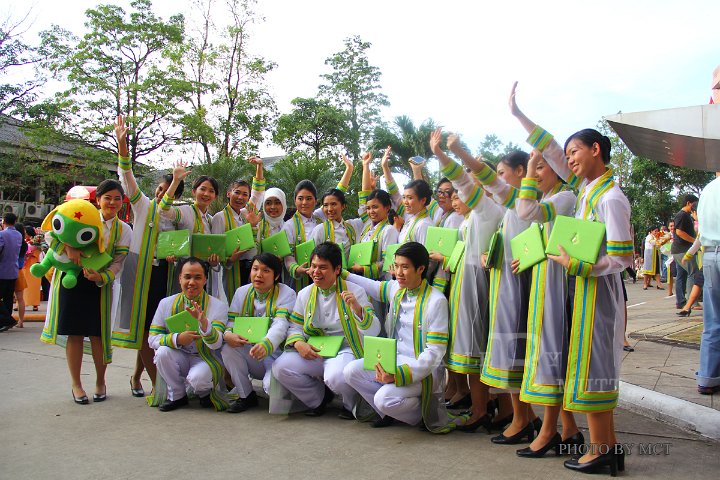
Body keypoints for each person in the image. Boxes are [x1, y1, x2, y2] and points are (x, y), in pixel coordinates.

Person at [512, 81, 633, 475]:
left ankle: (602, 451)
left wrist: (578, 265)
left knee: (595, 368)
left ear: (596, 149)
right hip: (583, 290)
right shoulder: (586, 192)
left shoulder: (610, 197)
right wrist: (518, 115)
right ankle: (606, 449)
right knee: (587, 367)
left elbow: (622, 255)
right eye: (565, 156)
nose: (568, 160)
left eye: (574, 152)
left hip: (598, 292)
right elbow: (546, 147)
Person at [447, 136, 536, 443]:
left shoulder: (501, 207)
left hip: (512, 282)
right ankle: (516, 414)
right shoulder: (498, 209)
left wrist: (456, 152)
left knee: (505, 349)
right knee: (505, 349)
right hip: (499, 280)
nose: (495, 179)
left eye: (501, 173)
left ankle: (511, 414)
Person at [429, 128, 505, 432]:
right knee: (469, 347)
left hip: (475, 282)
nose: (463, 190)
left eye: (474, 180)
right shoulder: (473, 215)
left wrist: (443, 154)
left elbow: (461, 179)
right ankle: (480, 407)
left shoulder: (489, 209)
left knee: (474, 348)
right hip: (463, 279)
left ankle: (479, 410)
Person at [343, 242, 464, 432]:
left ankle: (421, 416)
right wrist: (344, 274)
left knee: (383, 398)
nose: (398, 272)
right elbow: (373, 286)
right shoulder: (397, 289)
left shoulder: (436, 301)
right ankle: (389, 412)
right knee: (350, 371)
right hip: (394, 359)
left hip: (422, 371)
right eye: (396, 265)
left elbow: (434, 353)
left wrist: (398, 376)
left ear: (421, 269)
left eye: (405, 267)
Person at [512, 149, 584, 457]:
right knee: (545, 357)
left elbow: (526, 212)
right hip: (543, 285)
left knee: (550, 360)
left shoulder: (565, 197)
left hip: (557, 290)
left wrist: (527, 168)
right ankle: (569, 430)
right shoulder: (552, 200)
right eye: (534, 168)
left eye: (541, 167)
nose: (536, 173)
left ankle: (548, 432)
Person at [114, 115, 188, 396]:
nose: (160, 194)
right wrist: (122, 143)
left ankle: (136, 376)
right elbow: (127, 176)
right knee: (141, 327)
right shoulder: (142, 204)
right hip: (138, 270)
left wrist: (173, 257)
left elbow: (178, 246)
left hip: (163, 274)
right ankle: (158, 383)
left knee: (154, 329)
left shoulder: (175, 216)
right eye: (159, 188)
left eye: (167, 190)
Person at [41, 181, 132, 404]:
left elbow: (118, 262)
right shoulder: (82, 214)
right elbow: (50, 234)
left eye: (117, 198)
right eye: (107, 197)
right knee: (74, 334)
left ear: (122, 202)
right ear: (98, 199)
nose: (112, 202)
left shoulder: (124, 230)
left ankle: (101, 381)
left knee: (98, 335)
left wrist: (102, 277)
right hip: (71, 283)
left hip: (100, 287)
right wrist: (68, 247)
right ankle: (76, 384)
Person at [271, 242, 379, 418]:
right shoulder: (305, 294)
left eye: (323, 267)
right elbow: (295, 326)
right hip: (315, 349)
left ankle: (349, 404)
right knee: (281, 367)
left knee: (336, 376)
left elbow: (374, 330)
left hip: (346, 349)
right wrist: (299, 344)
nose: (316, 272)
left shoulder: (355, 291)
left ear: (337, 270)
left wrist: (358, 310)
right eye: (313, 266)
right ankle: (317, 399)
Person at [148, 257, 229, 411]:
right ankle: (177, 396)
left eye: (197, 277)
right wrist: (178, 338)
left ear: (205, 279)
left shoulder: (218, 306)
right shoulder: (166, 303)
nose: (192, 282)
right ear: (179, 279)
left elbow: (217, 343)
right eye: (187, 277)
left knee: (197, 379)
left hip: (205, 357)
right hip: (179, 355)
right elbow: (152, 339)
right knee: (162, 353)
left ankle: (204, 393)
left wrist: (205, 324)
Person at [221, 253, 296, 412]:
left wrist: (266, 344)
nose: (258, 275)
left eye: (265, 270)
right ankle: (246, 396)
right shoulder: (242, 292)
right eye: (255, 269)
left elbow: (280, 324)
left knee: (271, 389)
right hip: (252, 351)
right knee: (228, 348)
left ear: (276, 276)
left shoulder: (286, 293)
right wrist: (228, 334)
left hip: (277, 354)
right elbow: (231, 322)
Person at [161, 171, 223, 299]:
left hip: (204, 273)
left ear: (215, 196)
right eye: (203, 189)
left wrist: (214, 261)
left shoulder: (211, 220)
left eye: (211, 191)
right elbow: (163, 210)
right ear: (194, 192)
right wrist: (175, 181)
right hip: (185, 270)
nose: (206, 194)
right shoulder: (185, 211)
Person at [211, 157, 265, 296]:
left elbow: (258, 192)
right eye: (237, 192)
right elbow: (217, 250)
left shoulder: (247, 212)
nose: (240, 197)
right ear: (229, 193)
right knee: (236, 303)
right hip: (232, 269)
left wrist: (259, 166)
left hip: (252, 266)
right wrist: (230, 258)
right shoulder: (219, 217)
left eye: (245, 194)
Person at [694, 171, 720, 395]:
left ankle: (707, 377)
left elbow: (700, 229)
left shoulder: (708, 190)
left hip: (710, 255)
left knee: (712, 319)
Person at [283, 180, 323, 292]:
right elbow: (288, 256)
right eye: (300, 198)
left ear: (316, 201)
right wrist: (297, 269)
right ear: (295, 201)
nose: (304, 202)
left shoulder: (321, 222)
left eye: (309, 198)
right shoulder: (289, 226)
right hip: (300, 280)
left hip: (322, 276)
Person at [672, 194, 700, 308]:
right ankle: (692, 302)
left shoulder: (687, 216)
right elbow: (679, 232)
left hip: (679, 249)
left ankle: (681, 301)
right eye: (694, 204)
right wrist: (694, 241)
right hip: (682, 250)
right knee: (693, 273)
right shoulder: (682, 215)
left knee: (681, 275)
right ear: (688, 203)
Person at [0, 213, 23, 332]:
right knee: (8, 297)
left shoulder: (2, 235)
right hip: (13, 270)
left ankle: (6, 319)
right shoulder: (18, 234)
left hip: (2, 270)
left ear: (4, 221)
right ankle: (5, 322)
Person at [21, 226, 42, 318]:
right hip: (26, 265)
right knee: (23, 285)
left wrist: (29, 254)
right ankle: (22, 303)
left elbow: (37, 252)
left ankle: (35, 304)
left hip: (33, 264)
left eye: (25, 232)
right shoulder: (24, 241)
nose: (24, 233)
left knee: (34, 285)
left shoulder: (36, 242)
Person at [12, 223, 28, 327]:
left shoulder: (12, 242)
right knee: (20, 298)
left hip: (10, 270)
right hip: (20, 271)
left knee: (7, 298)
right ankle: (21, 321)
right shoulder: (24, 244)